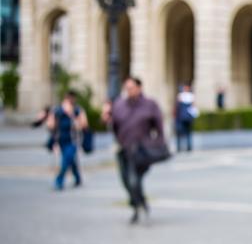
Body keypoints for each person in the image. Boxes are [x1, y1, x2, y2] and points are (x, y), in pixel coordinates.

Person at [103, 76, 165, 225]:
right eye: (126, 88)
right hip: (123, 148)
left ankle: (138, 207)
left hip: (141, 150)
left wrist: (157, 143)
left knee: (134, 180)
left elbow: (159, 126)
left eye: (131, 88)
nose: (128, 91)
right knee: (125, 180)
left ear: (139, 88)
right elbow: (114, 125)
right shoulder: (119, 104)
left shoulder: (150, 104)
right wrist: (107, 118)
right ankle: (140, 203)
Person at [47, 91, 88, 190]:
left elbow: (84, 125)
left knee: (65, 160)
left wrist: (71, 115)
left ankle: (59, 181)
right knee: (71, 160)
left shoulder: (77, 110)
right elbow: (50, 125)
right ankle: (77, 178)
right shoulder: (57, 110)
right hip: (60, 140)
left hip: (73, 141)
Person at [174, 84, 197, 152]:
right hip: (185, 117)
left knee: (186, 133)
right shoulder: (184, 96)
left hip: (184, 118)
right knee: (185, 133)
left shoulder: (184, 96)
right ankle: (184, 147)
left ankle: (186, 147)